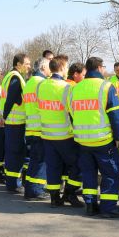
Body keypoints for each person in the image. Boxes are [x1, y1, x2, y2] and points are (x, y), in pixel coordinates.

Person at [69, 57, 119, 218]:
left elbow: (71, 112)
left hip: (82, 141)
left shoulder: (76, 88)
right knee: (110, 173)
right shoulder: (106, 86)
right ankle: (108, 208)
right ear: (100, 68)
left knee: (88, 174)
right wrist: (118, 136)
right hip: (103, 140)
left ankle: (91, 206)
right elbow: (116, 115)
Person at [37, 56, 84, 208]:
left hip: (46, 134)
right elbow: (74, 112)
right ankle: (70, 193)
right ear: (63, 68)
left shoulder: (41, 85)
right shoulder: (67, 87)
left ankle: (54, 198)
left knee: (53, 167)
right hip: (65, 135)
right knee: (78, 164)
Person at [0, 53, 32, 193]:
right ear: (18, 64)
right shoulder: (15, 77)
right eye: (27, 64)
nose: (29, 66)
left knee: (14, 153)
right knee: (15, 154)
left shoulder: (9, 76)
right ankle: (13, 184)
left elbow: (15, 97)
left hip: (12, 122)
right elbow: (11, 97)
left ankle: (12, 182)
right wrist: (5, 117)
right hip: (15, 122)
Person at [22, 57, 51, 200]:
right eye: (48, 66)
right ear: (43, 68)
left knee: (34, 160)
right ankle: (36, 190)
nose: (50, 69)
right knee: (40, 162)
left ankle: (30, 189)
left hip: (31, 128)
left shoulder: (29, 83)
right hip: (40, 129)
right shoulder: (42, 83)